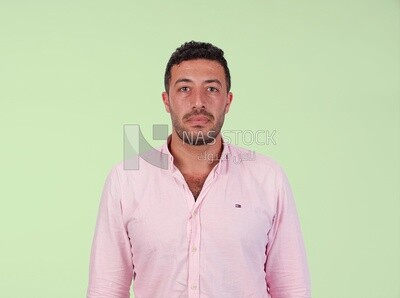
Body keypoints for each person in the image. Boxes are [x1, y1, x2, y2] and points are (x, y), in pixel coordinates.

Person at [86, 41, 311, 298]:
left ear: (228, 101)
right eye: (184, 88)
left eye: (211, 89)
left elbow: (292, 288)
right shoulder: (126, 180)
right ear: (166, 100)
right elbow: (107, 289)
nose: (198, 102)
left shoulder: (268, 178)